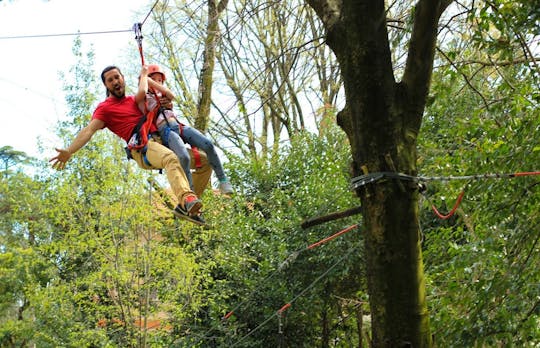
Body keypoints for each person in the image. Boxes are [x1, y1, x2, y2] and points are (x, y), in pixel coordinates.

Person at [50, 65, 204, 222]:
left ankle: (187, 206)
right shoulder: (105, 108)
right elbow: (89, 130)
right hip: (143, 147)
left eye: (117, 77)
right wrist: (70, 151)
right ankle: (187, 198)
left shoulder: (135, 100)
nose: (115, 82)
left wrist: (164, 103)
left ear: (123, 78)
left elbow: (156, 107)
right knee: (171, 158)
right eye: (110, 80)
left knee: (204, 161)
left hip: (161, 141)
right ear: (106, 86)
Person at [135, 64, 234, 196]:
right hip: (166, 131)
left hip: (178, 126)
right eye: (154, 79)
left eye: (160, 80)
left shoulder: (165, 96)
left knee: (208, 144)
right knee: (184, 157)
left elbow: (172, 95)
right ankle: (190, 193)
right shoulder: (144, 100)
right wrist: (144, 78)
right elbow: (141, 94)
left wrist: (154, 83)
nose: (158, 82)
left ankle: (223, 180)